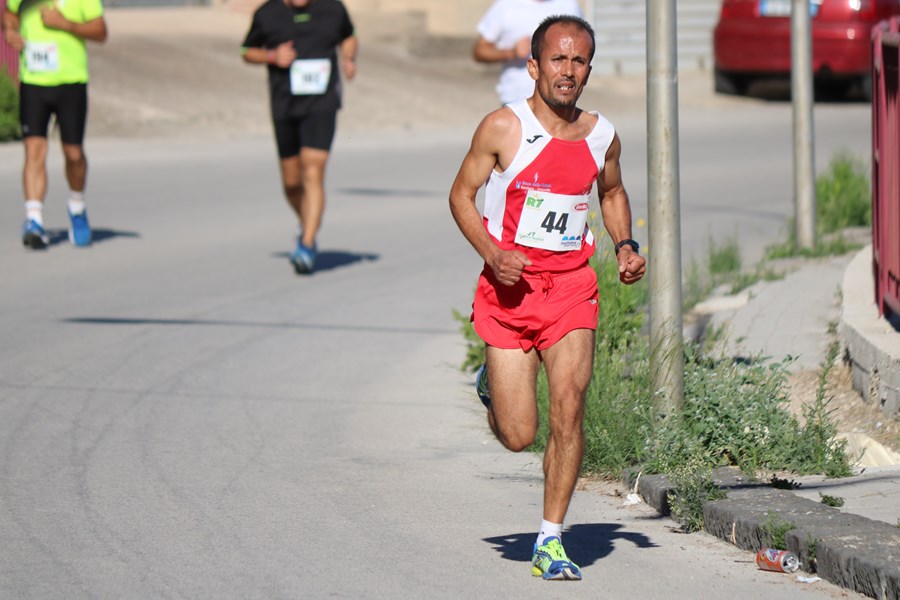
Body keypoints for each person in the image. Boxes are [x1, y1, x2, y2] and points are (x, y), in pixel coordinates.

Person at [449, 15, 646, 581]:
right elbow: (461, 196)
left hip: (571, 291)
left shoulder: (602, 136)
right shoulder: (502, 128)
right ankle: (492, 387)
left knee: (570, 406)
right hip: (509, 293)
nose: (568, 70)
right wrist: (492, 253)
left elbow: (612, 191)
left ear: (589, 69)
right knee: (519, 435)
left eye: (579, 60)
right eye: (558, 59)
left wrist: (625, 244)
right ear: (534, 67)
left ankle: (551, 538)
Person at [241, 0, 357, 275]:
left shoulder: (333, 8)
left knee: (312, 170)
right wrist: (271, 56)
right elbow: (246, 51)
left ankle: (306, 244)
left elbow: (349, 36)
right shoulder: (267, 13)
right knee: (292, 183)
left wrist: (349, 58)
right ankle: (307, 221)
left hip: (322, 104)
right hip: (284, 106)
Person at [3, 0, 107, 249]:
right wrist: (10, 31)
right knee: (34, 151)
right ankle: (34, 220)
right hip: (34, 81)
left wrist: (66, 24)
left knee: (74, 155)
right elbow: (9, 13)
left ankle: (77, 207)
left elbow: (101, 32)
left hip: (71, 82)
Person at [473, 0, 582, 106]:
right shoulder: (505, 5)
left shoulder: (569, 5)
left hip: (560, 98)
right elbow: (479, 51)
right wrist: (511, 53)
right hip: (515, 100)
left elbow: (584, 46)